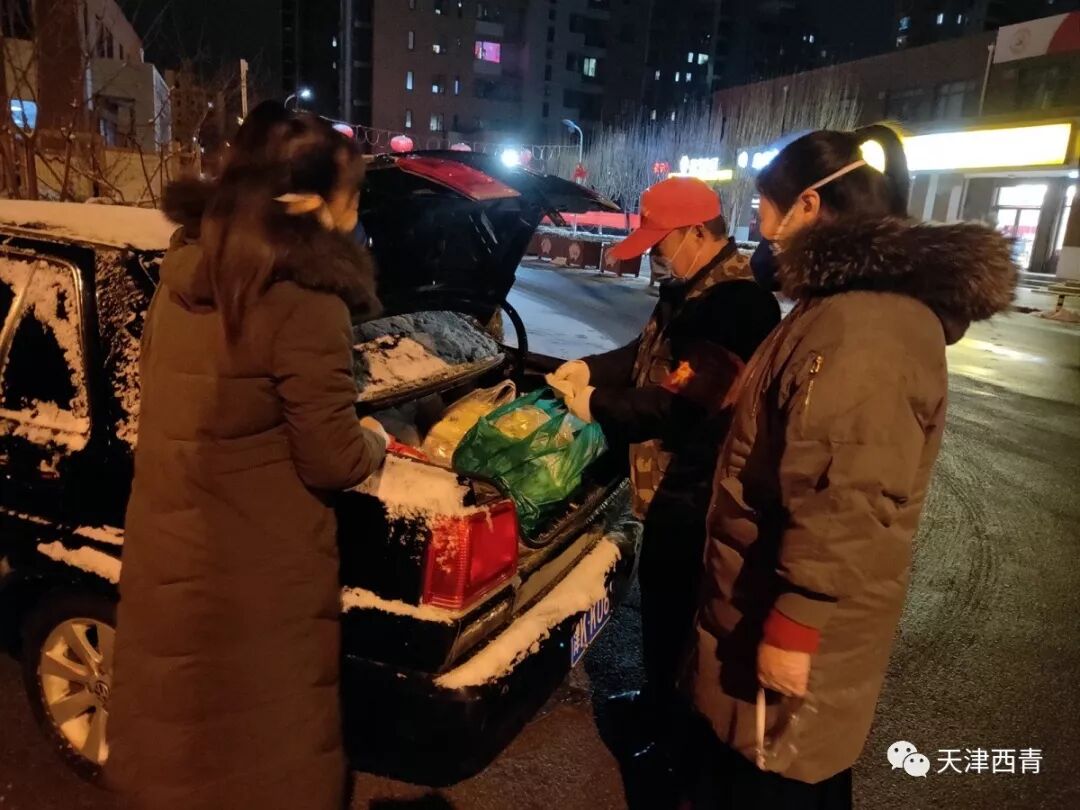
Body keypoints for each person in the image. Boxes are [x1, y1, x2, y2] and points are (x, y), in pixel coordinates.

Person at [684, 124, 1016, 807]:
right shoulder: (838, 307)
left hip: (792, 622)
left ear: (808, 205)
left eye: (765, 205)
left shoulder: (865, 325)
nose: (760, 225)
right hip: (765, 604)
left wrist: (796, 624)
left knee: (786, 779)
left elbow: (849, 492)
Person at [107, 105, 387, 810]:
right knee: (262, 758)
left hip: (173, 559)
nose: (355, 215)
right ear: (307, 202)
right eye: (350, 197)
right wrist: (378, 439)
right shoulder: (305, 302)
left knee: (182, 746)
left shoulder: (184, 275)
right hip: (257, 579)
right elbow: (332, 458)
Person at [547, 177, 780, 753]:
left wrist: (597, 405)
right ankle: (659, 707)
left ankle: (675, 736)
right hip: (672, 484)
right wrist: (590, 368)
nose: (654, 254)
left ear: (697, 233)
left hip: (701, 488)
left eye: (661, 242)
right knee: (662, 603)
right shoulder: (692, 289)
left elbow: (681, 403)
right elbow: (646, 353)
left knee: (681, 613)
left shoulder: (735, 305)